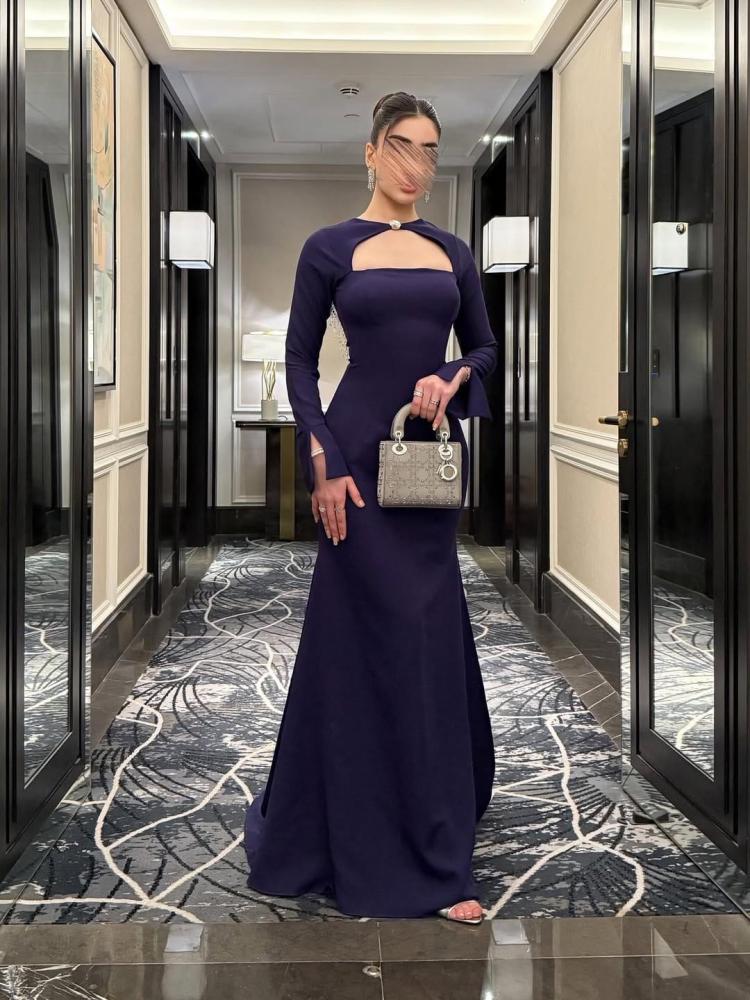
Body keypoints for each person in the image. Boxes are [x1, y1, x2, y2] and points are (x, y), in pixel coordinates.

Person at [244, 91, 498, 924]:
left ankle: (435, 844)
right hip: (354, 454)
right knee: (358, 639)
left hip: (425, 459)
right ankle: (342, 828)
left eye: (429, 150)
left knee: (424, 633)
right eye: (401, 146)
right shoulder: (331, 247)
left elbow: (486, 346)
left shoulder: (452, 251)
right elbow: (299, 360)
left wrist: (453, 375)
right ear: (371, 150)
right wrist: (321, 458)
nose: (416, 165)